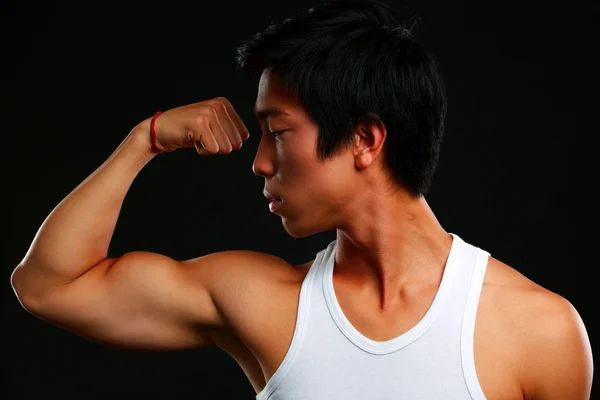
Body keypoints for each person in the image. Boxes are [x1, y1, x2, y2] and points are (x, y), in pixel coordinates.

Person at [10, 0, 592, 399]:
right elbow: (49, 286)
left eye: (278, 132)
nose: (259, 161)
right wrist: (147, 138)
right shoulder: (261, 302)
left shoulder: (538, 330)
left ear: (365, 140)